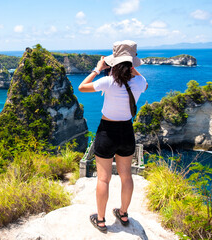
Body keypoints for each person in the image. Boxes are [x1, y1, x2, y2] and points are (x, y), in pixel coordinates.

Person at [78, 40, 148, 233]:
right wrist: (132, 68)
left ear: (114, 62)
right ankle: (123, 213)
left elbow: (82, 87)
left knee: (103, 179)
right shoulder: (139, 82)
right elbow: (146, 84)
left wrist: (97, 68)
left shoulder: (108, 81)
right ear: (132, 63)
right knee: (126, 176)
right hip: (127, 131)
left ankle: (101, 220)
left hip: (107, 132)